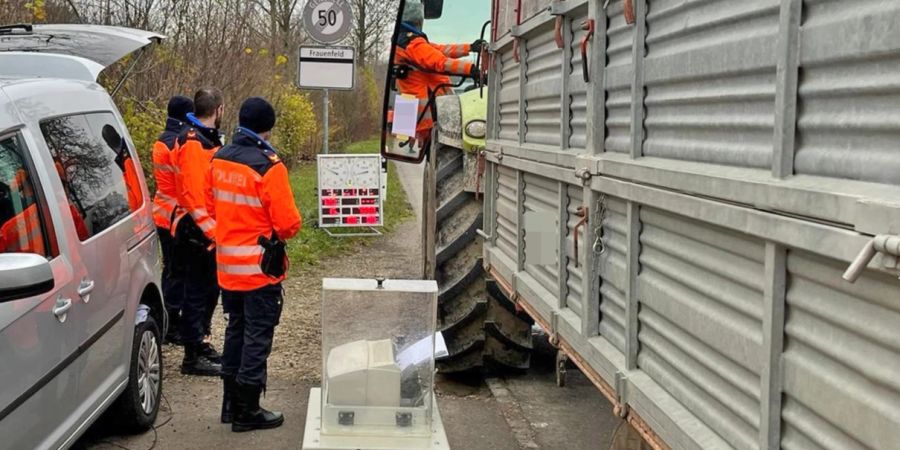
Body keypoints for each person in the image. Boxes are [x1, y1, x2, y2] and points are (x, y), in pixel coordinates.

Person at [206, 97, 301, 431]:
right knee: (257, 336)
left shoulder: (219, 158)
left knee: (235, 331)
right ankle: (248, 411)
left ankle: (230, 406)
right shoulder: (268, 165)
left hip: (227, 267)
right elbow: (288, 224)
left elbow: (210, 204)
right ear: (267, 128)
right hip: (260, 270)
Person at [172, 88, 225, 376]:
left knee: (208, 291)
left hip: (204, 228)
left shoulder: (204, 138)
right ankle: (192, 355)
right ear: (219, 110)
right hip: (196, 230)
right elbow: (193, 196)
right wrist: (211, 232)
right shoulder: (194, 142)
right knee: (196, 292)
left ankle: (201, 342)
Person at [393, 0, 485, 144]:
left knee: (421, 150)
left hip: (412, 109)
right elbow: (440, 62)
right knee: (432, 146)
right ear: (417, 19)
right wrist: (471, 70)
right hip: (427, 112)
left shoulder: (405, 41)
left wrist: (470, 47)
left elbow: (440, 50)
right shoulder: (411, 43)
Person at [152, 96, 193, 345]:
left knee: (171, 269)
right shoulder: (177, 143)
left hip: (163, 211)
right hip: (176, 215)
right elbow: (185, 184)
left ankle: (167, 319)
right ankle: (170, 323)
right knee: (177, 272)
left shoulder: (161, 140)